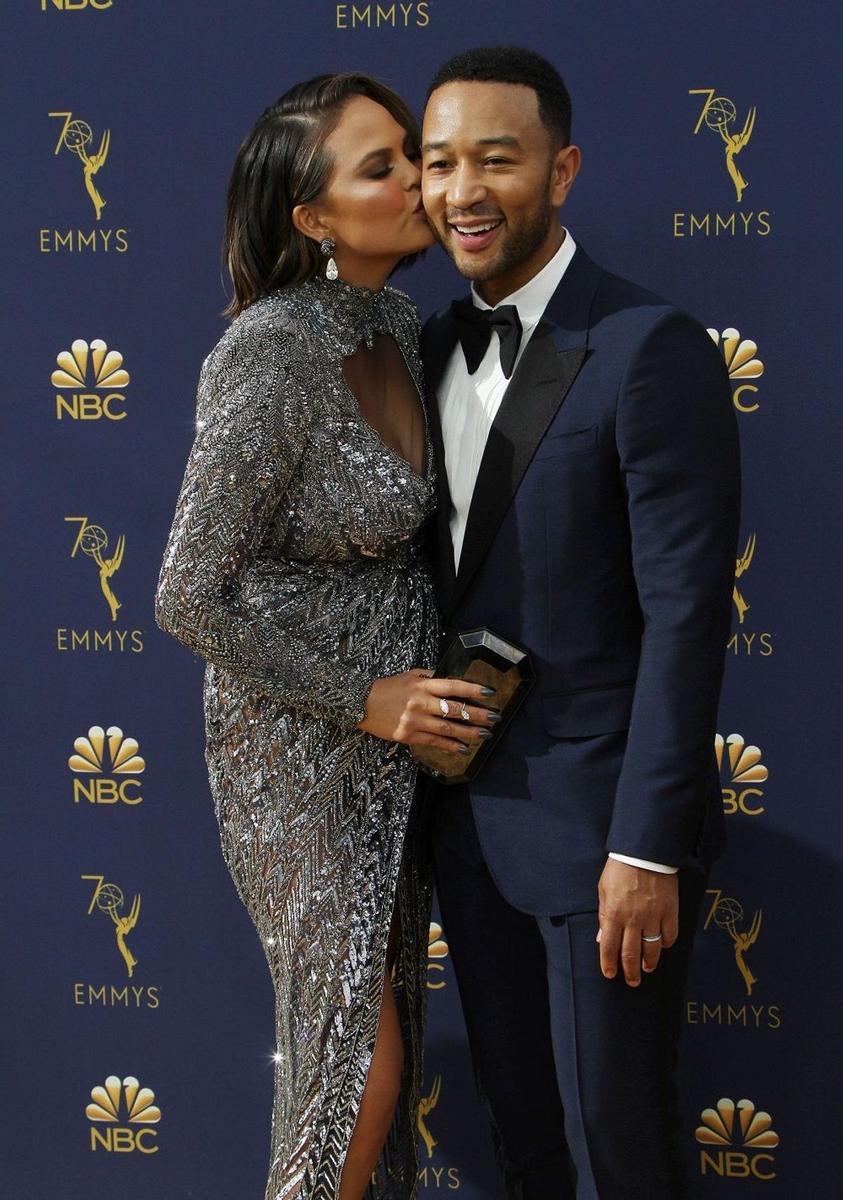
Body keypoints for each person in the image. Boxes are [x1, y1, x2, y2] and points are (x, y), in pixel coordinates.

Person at [155, 73, 496, 1200]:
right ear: (312, 218)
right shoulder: (269, 352)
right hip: (297, 752)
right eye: (382, 166)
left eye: (414, 153)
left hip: (392, 752)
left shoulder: (399, 323)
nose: (421, 182)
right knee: (357, 1067)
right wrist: (366, 699)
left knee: (367, 1055)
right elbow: (187, 595)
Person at [419, 47, 741, 1198]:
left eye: (495, 160)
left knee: (619, 1153)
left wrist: (644, 847)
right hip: (466, 834)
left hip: (604, 843)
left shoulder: (649, 348)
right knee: (528, 1148)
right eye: (440, 162)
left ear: (562, 171)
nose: (463, 190)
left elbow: (687, 615)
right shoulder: (419, 352)